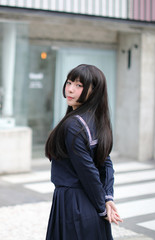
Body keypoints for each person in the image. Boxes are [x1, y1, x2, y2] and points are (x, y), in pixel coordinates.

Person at [45, 64, 122, 240]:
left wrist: (103, 206)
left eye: (79, 85)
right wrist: (107, 198)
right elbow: (105, 163)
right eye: (70, 82)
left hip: (74, 204)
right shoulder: (97, 120)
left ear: (94, 91)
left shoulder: (74, 125)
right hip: (88, 203)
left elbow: (89, 171)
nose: (70, 89)